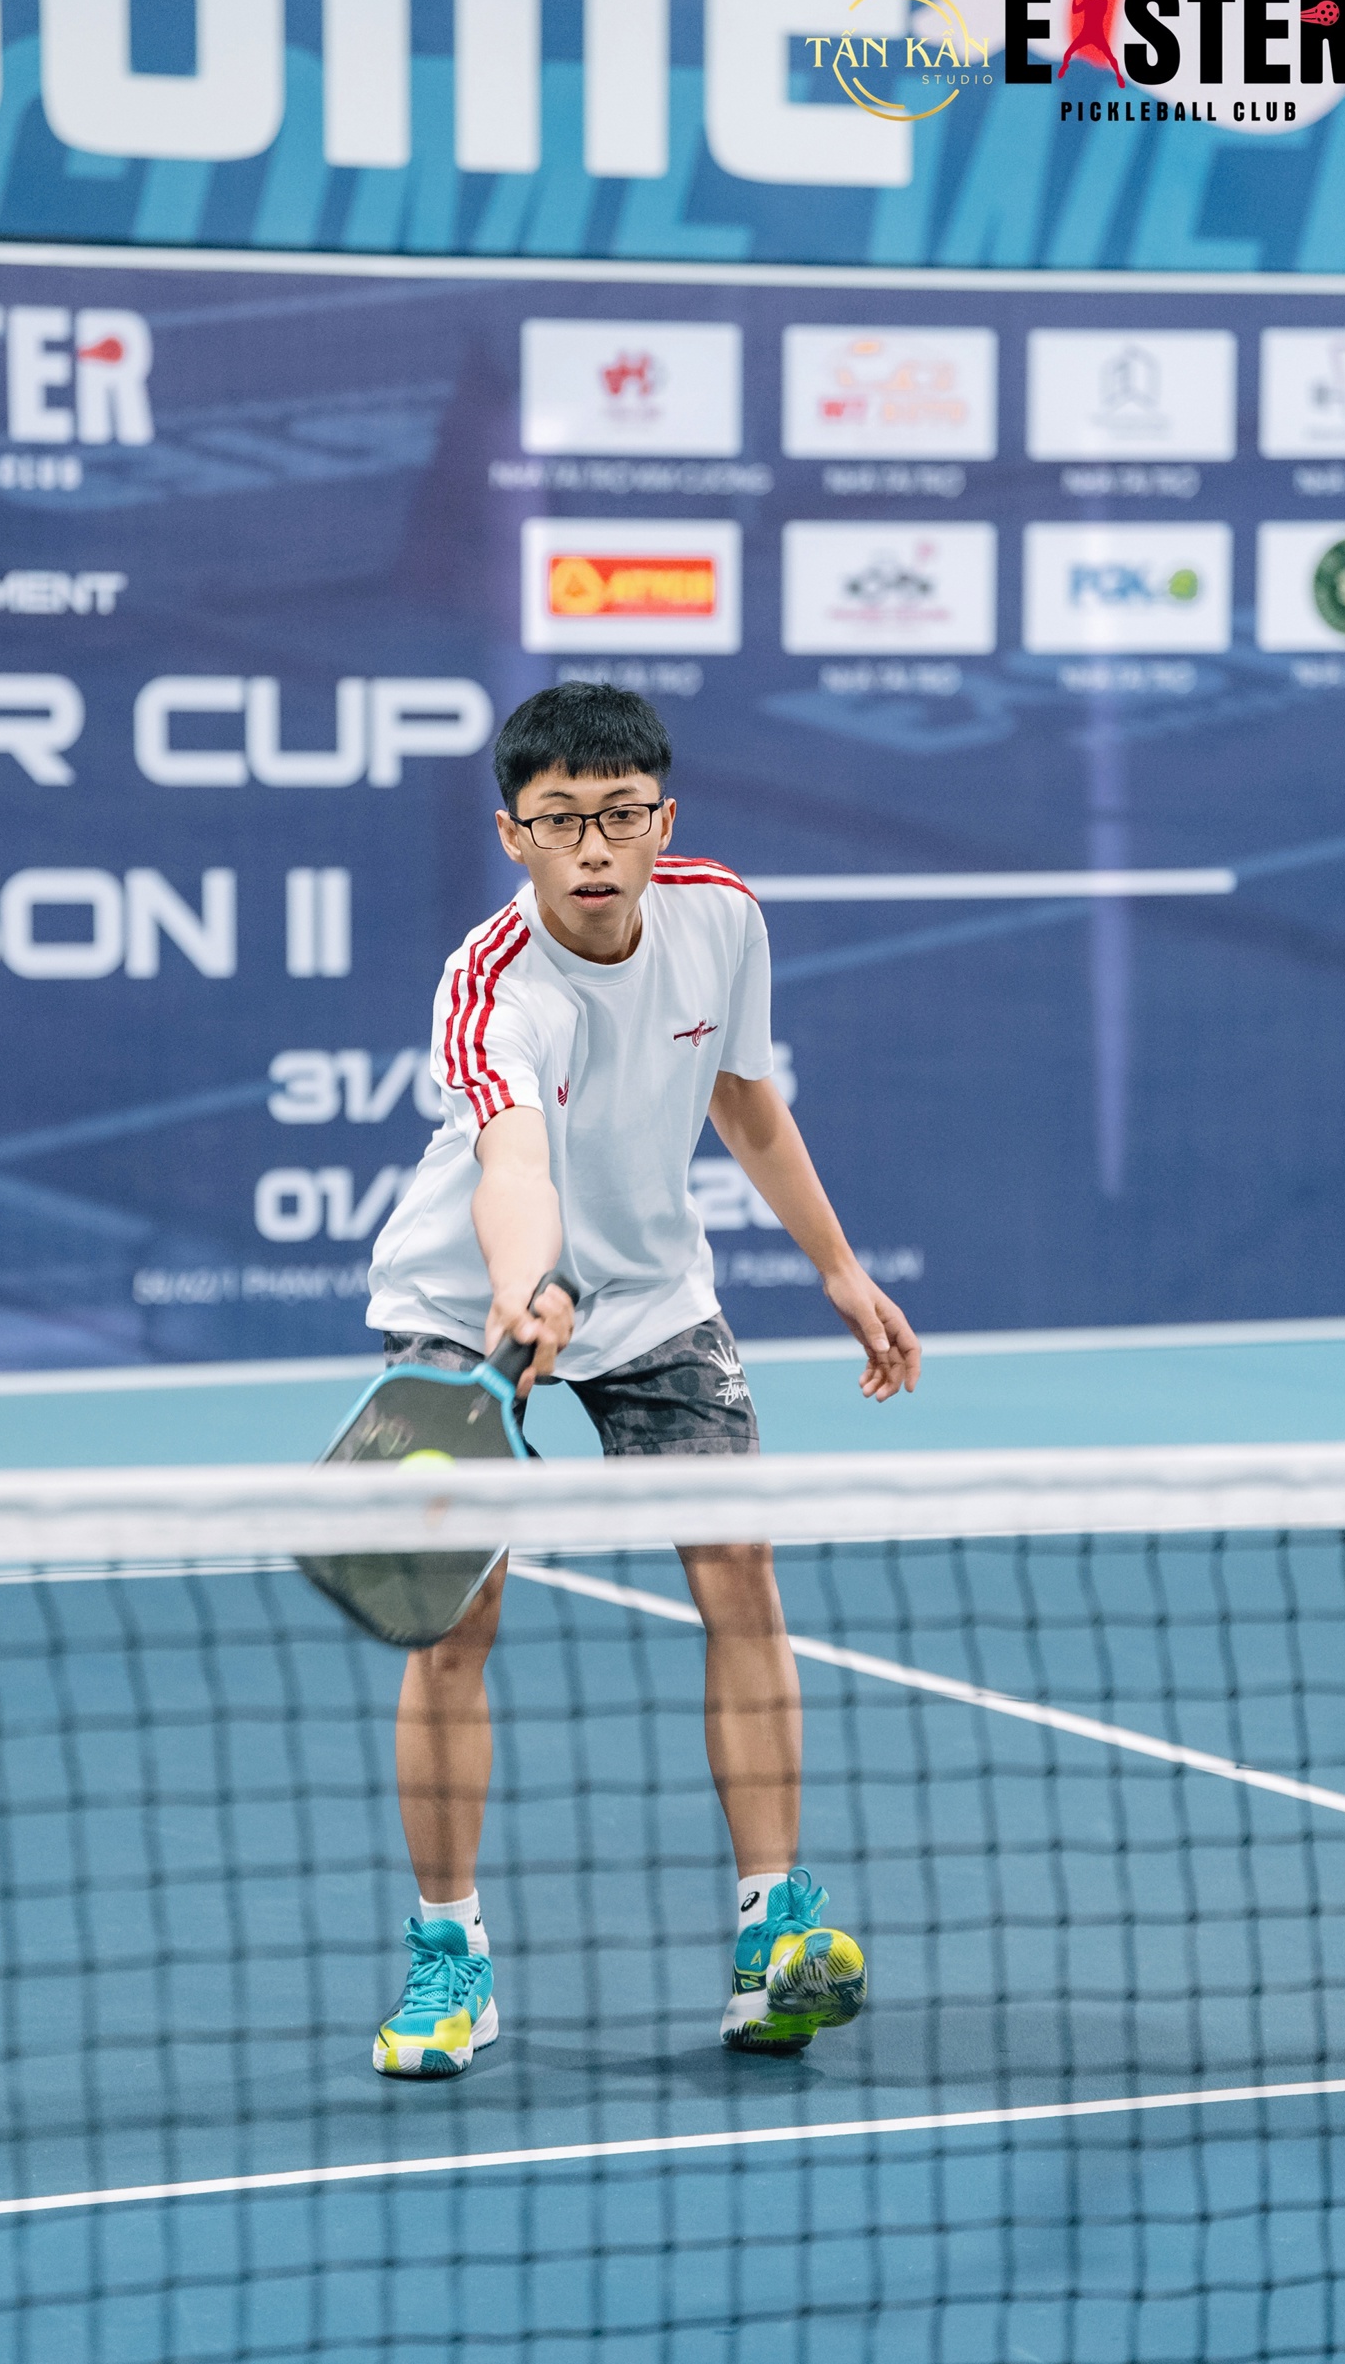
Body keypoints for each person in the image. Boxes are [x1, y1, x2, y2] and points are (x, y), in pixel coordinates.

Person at [364, 681, 921, 2078]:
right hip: (472, 1299)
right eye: (560, 820)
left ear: (662, 821)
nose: (594, 846)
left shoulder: (720, 917)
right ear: (514, 835)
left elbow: (742, 1096)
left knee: (740, 1574)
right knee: (454, 1623)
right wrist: (521, 1289)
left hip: (654, 1293)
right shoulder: (490, 984)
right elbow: (511, 1163)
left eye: (619, 815)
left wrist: (838, 1269)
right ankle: (448, 1956)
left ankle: (771, 1939)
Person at [1058, 0, 1126, 85]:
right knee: (1068, 52)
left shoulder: (1103, 1)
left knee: (1111, 57)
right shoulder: (1087, 1)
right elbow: (1075, 10)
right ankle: (1063, 68)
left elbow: (1094, 3)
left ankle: (1118, 76)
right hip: (1085, 33)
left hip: (1098, 34)